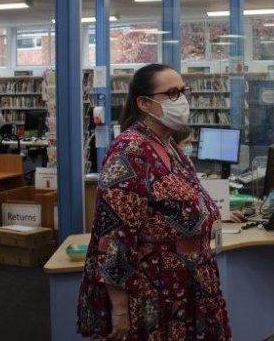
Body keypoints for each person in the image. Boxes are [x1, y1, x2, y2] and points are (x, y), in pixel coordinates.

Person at [77, 63, 231, 340]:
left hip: (187, 289)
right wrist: (120, 309)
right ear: (144, 104)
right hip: (155, 293)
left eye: (183, 91)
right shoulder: (130, 150)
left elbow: (176, 203)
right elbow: (114, 236)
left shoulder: (168, 144)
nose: (181, 100)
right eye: (171, 93)